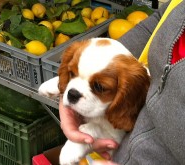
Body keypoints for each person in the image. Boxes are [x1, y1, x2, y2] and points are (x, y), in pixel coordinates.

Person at [59, 0, 185, 164]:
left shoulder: (130, 91)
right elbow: (164, 19)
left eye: (99, 86)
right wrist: (106, 58)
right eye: (72, 73)